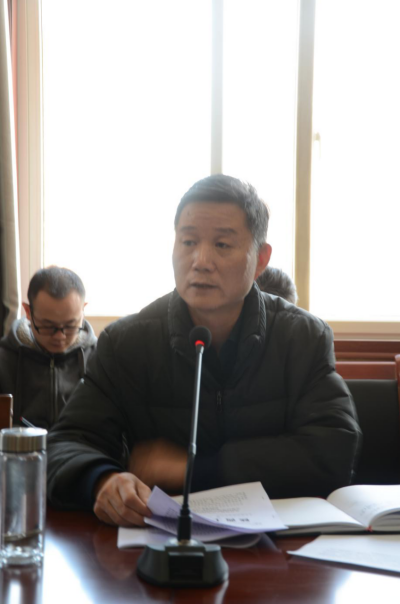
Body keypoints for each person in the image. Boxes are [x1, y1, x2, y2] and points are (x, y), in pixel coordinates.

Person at [47, 175, 361, 527]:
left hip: (279, 545)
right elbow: (65, 444)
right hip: (160, 540)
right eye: (188, 241)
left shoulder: (301, 338)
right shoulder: (127, 343)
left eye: (222, 244)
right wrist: (101, 479)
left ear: (260, 259)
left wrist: (196, 468)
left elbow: (332, 451)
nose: (201, 260)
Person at [0, 266, 97, 429]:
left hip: (79, 444)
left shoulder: (100, 360)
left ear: (83, 311)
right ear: (28, 312)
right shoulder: (4, 360)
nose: (60, 337)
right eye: (47, 325)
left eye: (70, 325)